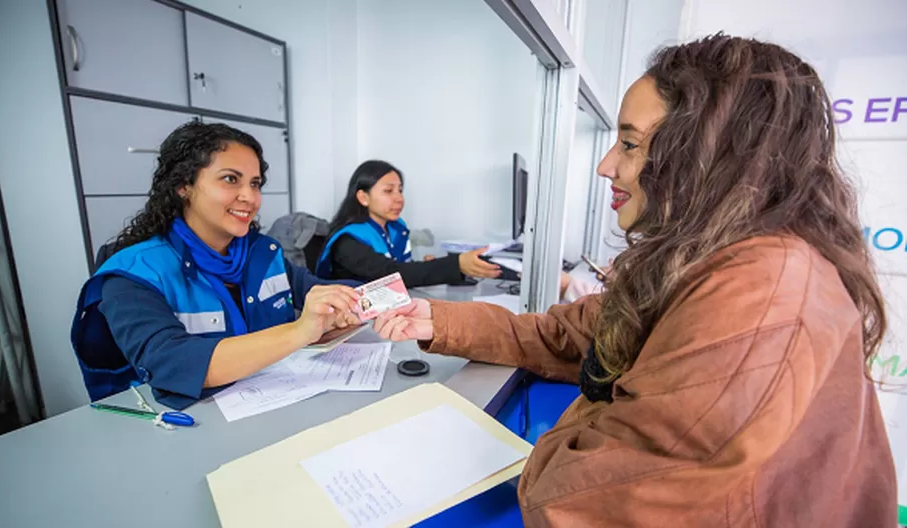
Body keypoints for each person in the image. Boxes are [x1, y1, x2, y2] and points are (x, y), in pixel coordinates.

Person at [373, 35, 896, 525]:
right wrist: (437, 319)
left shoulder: (762, 292)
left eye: (628, 144)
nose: (606, 166)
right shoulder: (709, 261)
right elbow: (574, 335)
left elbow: (573, 499)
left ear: (709, 156)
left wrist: (582, 414)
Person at [71, 122, 360, 409]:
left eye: (255, 184)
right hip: (181, 426)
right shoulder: (133, 274)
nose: (250, 197)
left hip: (276, 406)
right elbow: (171, 363)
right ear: (184, 186)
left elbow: (320, 291)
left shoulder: (262, 252)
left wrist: (384, 301)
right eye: (231, 179)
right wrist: (300, 331)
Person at [315, 160, 502, 287]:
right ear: (363, 197)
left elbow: (401, 267)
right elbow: (391, 275)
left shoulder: (395, 228)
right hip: (354, 323)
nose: (399, 199)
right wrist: (453, 265)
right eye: (388, 191)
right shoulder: (349, 241)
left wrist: (441, 267)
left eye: (400, 190)